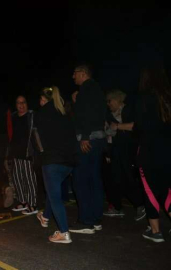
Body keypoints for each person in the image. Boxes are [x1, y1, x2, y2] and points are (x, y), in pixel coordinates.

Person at [35, 86, 77, 243]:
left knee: (54, 197)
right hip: (68, 162)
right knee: (54, 192)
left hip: (52, 160)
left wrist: (41, 156)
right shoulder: (64, 113)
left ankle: (64, 233)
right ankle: (45, 217)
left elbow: (38, 140)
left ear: (43, 100)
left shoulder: (42, 114)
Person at [134, 65, 171, 243]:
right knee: (166, 190)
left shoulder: (144, 98)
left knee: (150, 190)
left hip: (149, 150)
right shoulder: (167, 98)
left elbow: (139, 126)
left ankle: (155, 231)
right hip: (167, 151)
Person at [70, 63, 106, 234]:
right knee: (94, 179)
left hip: (88, 139)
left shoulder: (86, 88)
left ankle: (86, 221)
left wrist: (84, 136)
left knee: (80, 179)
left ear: (83, 73)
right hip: (98, 139)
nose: (73, 77)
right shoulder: (97, 88)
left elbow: (86, 114)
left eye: (75, 73)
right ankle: (96, 218)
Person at [103, 89, 145, 221]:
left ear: (116, 100)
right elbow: (109, 133)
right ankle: (117, 206)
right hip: (116, 150)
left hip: (129, 150)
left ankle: (140, 205)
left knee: (129, 177)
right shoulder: (109, 115)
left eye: (109, 101)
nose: (108, 104)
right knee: (115, 177)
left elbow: (136, 127)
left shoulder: (129, 110)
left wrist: (118, 126)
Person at [6, 95, 38, 215]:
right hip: (15, 153)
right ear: (16, 104)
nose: (21, 105)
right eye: (19, 103)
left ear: (27, 103)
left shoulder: (31, 116)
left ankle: (33, 204)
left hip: (27, 152)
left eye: (23, 102)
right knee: (18, 179)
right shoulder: (13, 117)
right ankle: (23, 201)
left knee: (29, 179)